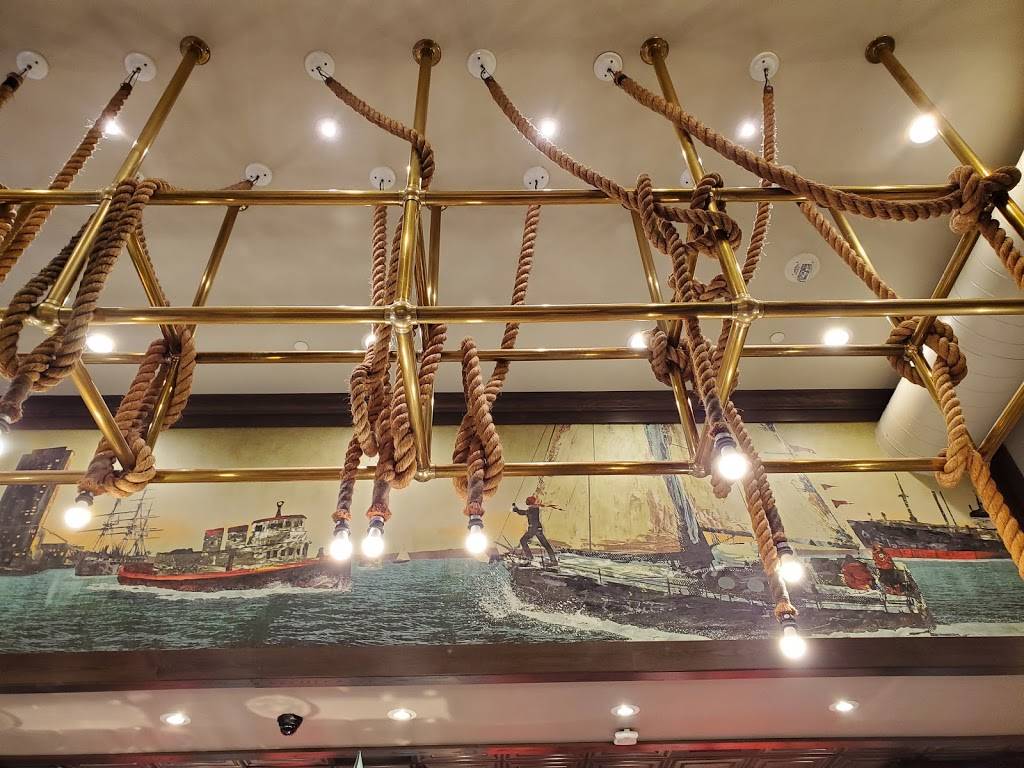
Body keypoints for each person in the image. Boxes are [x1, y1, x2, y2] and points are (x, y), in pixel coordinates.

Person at [513, 495, 558, 566]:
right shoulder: (534, 508)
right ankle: (554, 561)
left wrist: (516, 509)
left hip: (533, 529)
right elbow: (524, 512)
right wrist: (517, 510)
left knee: (523, 540)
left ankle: (529, 558)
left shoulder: (532, 509)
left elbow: (522, 512)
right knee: (545, 544)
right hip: (538, 529)